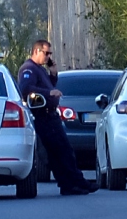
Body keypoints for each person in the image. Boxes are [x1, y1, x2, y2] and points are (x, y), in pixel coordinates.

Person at [18, 40, 97, 195]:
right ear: (36, 51)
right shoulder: (29, 69)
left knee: (58, 153)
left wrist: (53, 75)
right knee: (63, 151)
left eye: (50, 54)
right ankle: (77, 182)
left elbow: (48, 86)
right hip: (43, 116)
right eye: (46, 53)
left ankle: (69, 185)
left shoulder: (40, 70)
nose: (48, 57)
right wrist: (49, 93)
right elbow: (25, 88)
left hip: (51, 115)